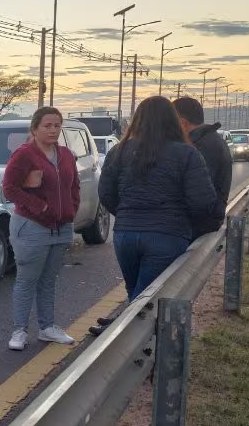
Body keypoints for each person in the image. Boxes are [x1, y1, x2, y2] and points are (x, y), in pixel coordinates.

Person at [89, 96, 221, 335]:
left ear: (137, 119)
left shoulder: (119, 151)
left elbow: (106, 194)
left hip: (125, 236)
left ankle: (131, 347)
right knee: (145, 303)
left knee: (138, 297)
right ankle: (125, 345)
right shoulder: (187, 154)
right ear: (172, 120)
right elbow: (202, 202)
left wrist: (128, 214)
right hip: (168, 236)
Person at [1, 106, 80, 351]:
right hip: (32, 227)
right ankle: (19, 331)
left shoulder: (66, 154)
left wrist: (71, 209)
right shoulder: (24, 154)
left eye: (57, 125)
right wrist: (41, 208)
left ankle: (47, 328)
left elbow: (74, 186)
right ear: (35, 128)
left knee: (48, 280)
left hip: (61, 227)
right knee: (27, 279)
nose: (53, 130)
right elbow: (9, 189)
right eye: (47, 125)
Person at [173, 95, 231, 235]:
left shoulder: (200, 146)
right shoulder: (210, 139)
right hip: (204, 221)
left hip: (197, 225)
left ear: (182, 123)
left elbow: (199, 191)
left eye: (171, 122)